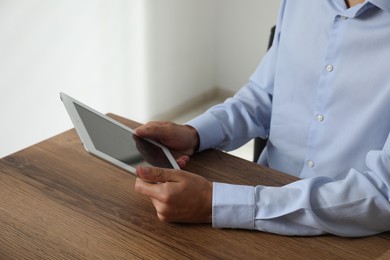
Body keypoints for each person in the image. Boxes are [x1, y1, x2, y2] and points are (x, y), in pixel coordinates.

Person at [134, 0, 390, 237]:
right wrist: (195, 134)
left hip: (349, 233)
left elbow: (383, 192)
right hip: (262, 198)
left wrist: (215, 203)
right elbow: (265, 94)